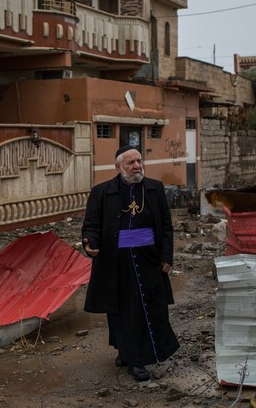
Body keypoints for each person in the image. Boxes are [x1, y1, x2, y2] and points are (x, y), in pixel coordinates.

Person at [81, 145, 179, 382]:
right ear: (118, 167)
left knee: (147, 309)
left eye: (139, 161)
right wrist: (88, 242)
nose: (137, 166)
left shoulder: (154, 189)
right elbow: (92, 225)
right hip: (116, 262)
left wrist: (166, 257)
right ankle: (128, 353)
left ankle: (137, 357)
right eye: (130, 163)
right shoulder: (101, 192)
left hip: (149, 260)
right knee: (121, 311)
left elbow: (166, 226)